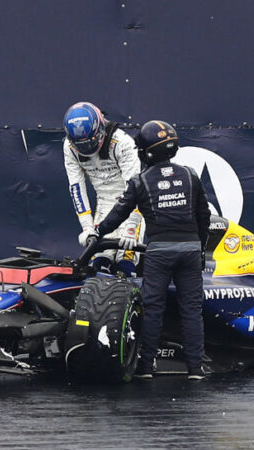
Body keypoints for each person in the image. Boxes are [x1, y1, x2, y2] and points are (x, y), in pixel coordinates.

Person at [90, 120, 211, 380]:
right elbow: (205, 216)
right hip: (190, 250)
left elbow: (117, 216)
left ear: (147, 152)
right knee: (192, 310)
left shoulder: (140, 181)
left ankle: (145, 368)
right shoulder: (190, 175)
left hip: (158, 252)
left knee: (153, 309)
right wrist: (200, 248)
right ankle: (195, 369)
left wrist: (97, 232)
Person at [63, 101, 142, 275]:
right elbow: (76, 187)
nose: (86, 148)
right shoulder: (69, 147)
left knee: (126, 261)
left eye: (89, 141)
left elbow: (136, 188)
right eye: (80, 144)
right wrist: (87, 227)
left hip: (131, 204)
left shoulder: (122, 142)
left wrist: (131, 226)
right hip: (104, 202)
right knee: (99, 260)